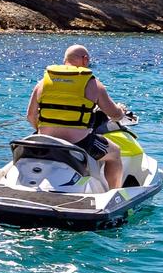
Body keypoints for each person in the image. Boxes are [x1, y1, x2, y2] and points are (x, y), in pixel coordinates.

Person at [25, 44, 132, 190]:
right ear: (85, 60)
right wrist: (121, 110)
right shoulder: (92, 83)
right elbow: (114, 114)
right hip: (79, 143)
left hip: (46, 141)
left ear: (65, 60)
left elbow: (30, 115)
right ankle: (114, 192)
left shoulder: (43, 82)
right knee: (115, 153)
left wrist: (44, 130)